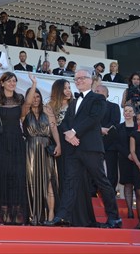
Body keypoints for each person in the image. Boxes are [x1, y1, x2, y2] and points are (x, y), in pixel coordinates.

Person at [47, 70, 121, 229]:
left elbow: (94, 118)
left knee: (101, 181)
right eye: (76, 79)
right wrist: (68, 134)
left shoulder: (98, 98)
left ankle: (114, 218)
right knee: (70, 182)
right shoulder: (73, 102)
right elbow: (66, 122)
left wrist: (74, 132)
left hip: (91, 148)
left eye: (82, 78)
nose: (78, 81)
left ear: (90, 80)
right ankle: (62, 216)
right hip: (73, 149)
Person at [47, 78, 95, 227]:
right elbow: (54, 128)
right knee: (64, 179)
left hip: (77, 144)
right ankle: (63, 216)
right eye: (65, 88)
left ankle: (81, 217)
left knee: (80, 180)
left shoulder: (75, 104)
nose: (68, 90)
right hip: (61, 145)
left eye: (69, 87)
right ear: (58, 90)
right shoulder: (49, 107)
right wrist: (59, 145)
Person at [22, 74, 61, 226]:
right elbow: (27, 103)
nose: (36, 99)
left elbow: (54, 128)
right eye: (33, 96)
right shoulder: (24, 112)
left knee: (49, 182)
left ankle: (50, 213)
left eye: (38, 96)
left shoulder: (48, 110)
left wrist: (58, 144)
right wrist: (34, 84)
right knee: (32, 182)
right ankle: (34, 215)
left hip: (46, 149)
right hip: (31, 149)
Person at [0, 72, 27, 225]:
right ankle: (4, 210)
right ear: (2, 83)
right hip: (1, 141)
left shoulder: (20, 98)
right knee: (3, 176)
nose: (12, 83)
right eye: (9, 80)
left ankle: (17, 210)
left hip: (17, 141)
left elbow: (24, 115)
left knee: (17, 175)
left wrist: (34, 85)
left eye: (14, 81)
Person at [95, 84, 121, 193]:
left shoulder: (114, 106)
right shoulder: (89, 107)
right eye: (95, 91)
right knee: (94, 169)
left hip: (110, 144)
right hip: (94, 144)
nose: (96, 93)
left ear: (106, 93)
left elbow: (114, 123)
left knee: (111, 171)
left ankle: (111, 192)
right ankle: (93, 192)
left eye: (99, 91)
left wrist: (103, 133)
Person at [116, 105, 137, 219]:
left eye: (130, 111)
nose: (127, 113)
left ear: (134, 113)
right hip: (124, 159)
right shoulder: (119, 127)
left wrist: (134, 155)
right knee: (128, 184)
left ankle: (138, 209)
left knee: (138, 185)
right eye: (126, 111)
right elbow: (117, 143)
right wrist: (128, 154)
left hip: (138, 160)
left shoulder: (139, 126)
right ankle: (129, 210)